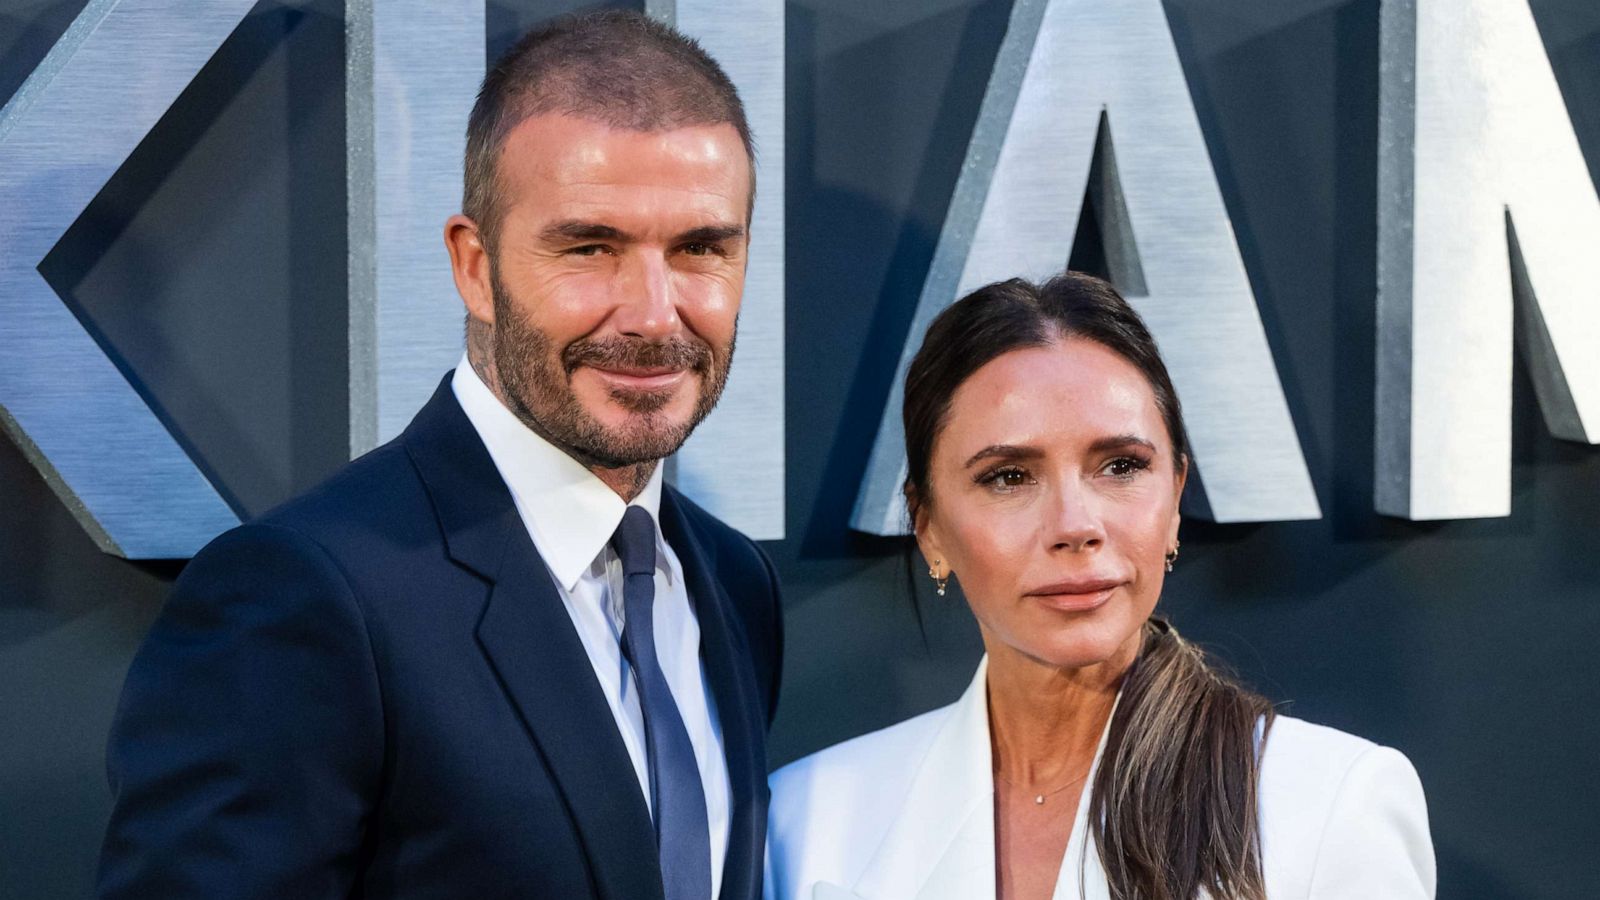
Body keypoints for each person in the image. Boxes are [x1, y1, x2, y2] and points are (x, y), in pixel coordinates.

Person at [97, 11, 781, 900]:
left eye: (699, 250)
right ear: (473, 265)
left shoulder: (732, 584)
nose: (654, 314)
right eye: (589, 247)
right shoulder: (302, 599)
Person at [765, 273, 1434, 900]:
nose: (1074, 526)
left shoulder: (1332, 806)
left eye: (1120, 465)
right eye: (1008, 476)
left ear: (1174, 500)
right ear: (930, 526)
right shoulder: (810, 819)